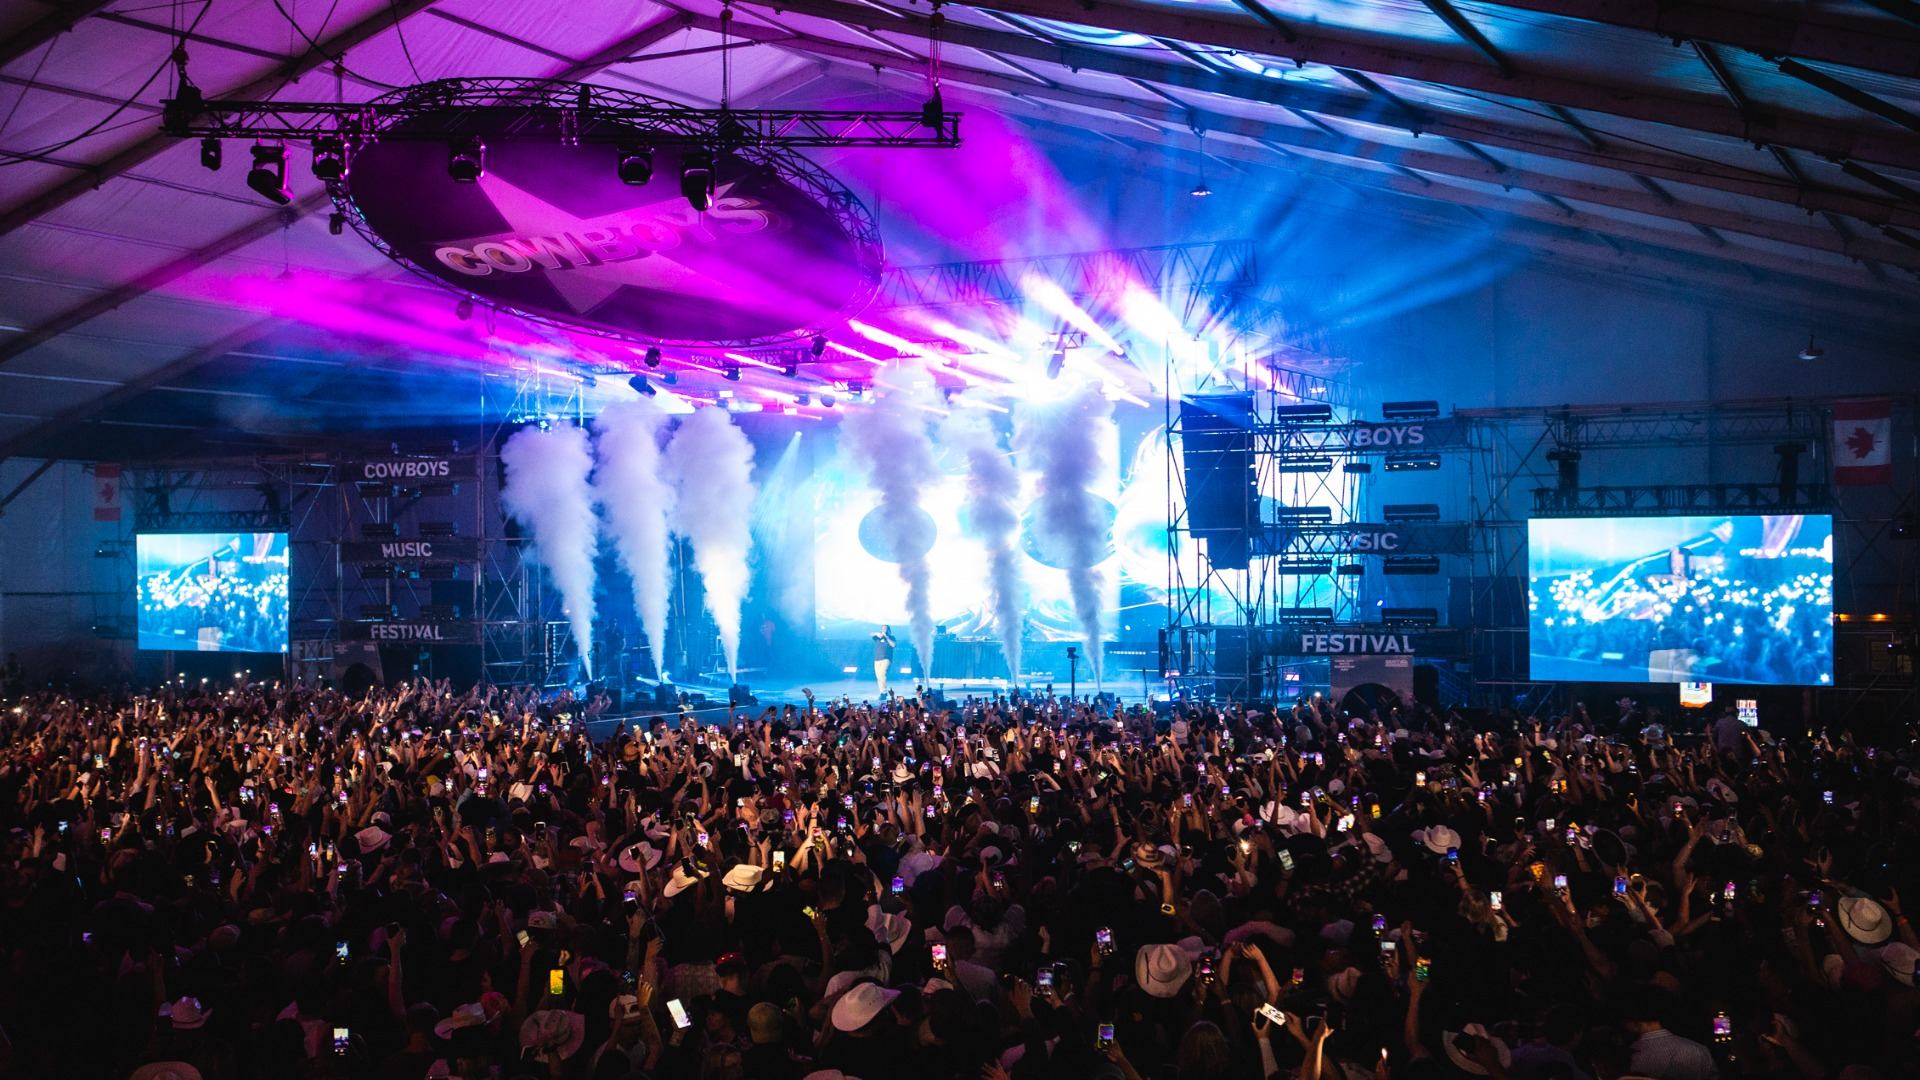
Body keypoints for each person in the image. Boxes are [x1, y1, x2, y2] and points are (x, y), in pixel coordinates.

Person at [872, 624, 896, 697]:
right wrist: (877, 633)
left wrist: (886, 637)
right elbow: (871, 634)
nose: (884, 630)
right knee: (878, 676)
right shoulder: (878, 637)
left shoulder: (891, 637)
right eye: (882, 628)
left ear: (889, 630)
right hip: (877, 659)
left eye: (885, 628)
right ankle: (882, 692)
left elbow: (893, 645)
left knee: (882, 674)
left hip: (886, 659)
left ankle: (884, 692)